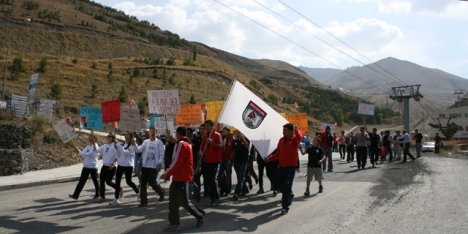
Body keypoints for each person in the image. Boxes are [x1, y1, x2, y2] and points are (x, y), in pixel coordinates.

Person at [160, 126, 205, 232]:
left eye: (175, 134)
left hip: (183, 178)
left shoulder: (182, 144)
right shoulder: (183, 143)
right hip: (177, 178)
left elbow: (177, 162)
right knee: (173, 202)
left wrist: (166, 173)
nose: (175, 135)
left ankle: (200, 215)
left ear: (178, 134)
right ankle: (174, 223)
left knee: (186, 202)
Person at [265, 123, 302, 215]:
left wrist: (296, 129)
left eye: (285, 130)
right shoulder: (281, 140)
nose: (283, 132)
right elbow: (278, 153)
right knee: (278, 185)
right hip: (281, 167)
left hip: (290, 167)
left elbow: (299, 137)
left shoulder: (294, 140)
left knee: (287, 187)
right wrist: (270, 158)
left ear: (290, 131)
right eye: (283, 130)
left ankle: (285, 207)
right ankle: (289, 195)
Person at [84, 132, 122, 202]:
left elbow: (118, 156)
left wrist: (113, 164)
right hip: (104, 166)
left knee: (108, 182)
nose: (108, 138)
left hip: (111, 166)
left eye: (110, 136)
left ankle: (118, 188)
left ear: (113, 138)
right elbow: (97, 150)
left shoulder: (115, 145)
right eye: (107, 136)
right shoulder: (105, 146)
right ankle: (102, 196)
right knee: (101, 181)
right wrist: (94, 142)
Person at [136, 127, 166, 207]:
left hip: (153, 166)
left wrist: (159, 164)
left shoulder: (159, 143)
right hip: (145, 166)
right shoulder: (145, 142)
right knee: (143, 184)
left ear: (156, 133)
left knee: (153, 183)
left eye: (153, 131)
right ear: (148, 133)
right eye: (150, 131)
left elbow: (161, 154)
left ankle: (161, 192)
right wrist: (134, 144)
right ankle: (144, 201)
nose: (152, 133)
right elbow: (139, 150)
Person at [110, 131, 140, 205]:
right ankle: (116, 198)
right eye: (125, 135)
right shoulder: (124, 144)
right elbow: (119, 154)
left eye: (127, 135)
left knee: (128, 181)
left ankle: (138, 192)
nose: (126, 136)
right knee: (117, 181)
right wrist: (116, 148)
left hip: (128, 165)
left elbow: (125, 153)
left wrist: (118, 145)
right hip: (120, 164)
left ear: (131, 136)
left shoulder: (132, 145)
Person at [69, 135, 100, 200]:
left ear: (95, 139)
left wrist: (79, 152)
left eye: (91, 138)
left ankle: (98, 194)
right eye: (89, 138)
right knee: (81, 181)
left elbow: (90, 154)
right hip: (86, 166)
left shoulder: (96, 146)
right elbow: (83, 153)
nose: (89, 139)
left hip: (93, 167)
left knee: (95, 181)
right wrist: (78, 150)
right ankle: (75, 195)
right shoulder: (88, 146)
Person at [201, 120, 223, 206]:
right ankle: (212, 197)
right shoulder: (204, 137)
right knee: (209, 180)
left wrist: (212, 143)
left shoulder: (217, 135)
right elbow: (202, 149)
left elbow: (220, 147)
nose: (206, 128)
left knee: (213, 179)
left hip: (215, 161)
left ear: (212, 127)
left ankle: (216, 197)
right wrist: (201, 158)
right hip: (207, 161)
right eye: (205, 126)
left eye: (208, 126)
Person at [231, 131, 250, 201]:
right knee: (240, 178)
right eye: (238, 133)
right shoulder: (235, 141)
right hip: (236, 162)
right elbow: (233, 151)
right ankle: (245, 189)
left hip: (243, 162)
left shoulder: (247, 140)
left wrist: (243, 138)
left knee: (240, 178)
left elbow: (247, 146)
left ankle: (237, 193)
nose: (239, 134)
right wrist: (232, 160)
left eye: (240, 133)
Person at [218, 127, 234, 196]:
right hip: (221, 159)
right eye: (223, 131)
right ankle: (223, 187)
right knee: (218, 175)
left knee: (228, 176)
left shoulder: (231, 140)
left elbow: (233, 151)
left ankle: (228, 189)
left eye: (226, 131)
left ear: (228, 132)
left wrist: (230, 159)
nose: (224, 132)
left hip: (228, 160)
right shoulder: (221, 139)